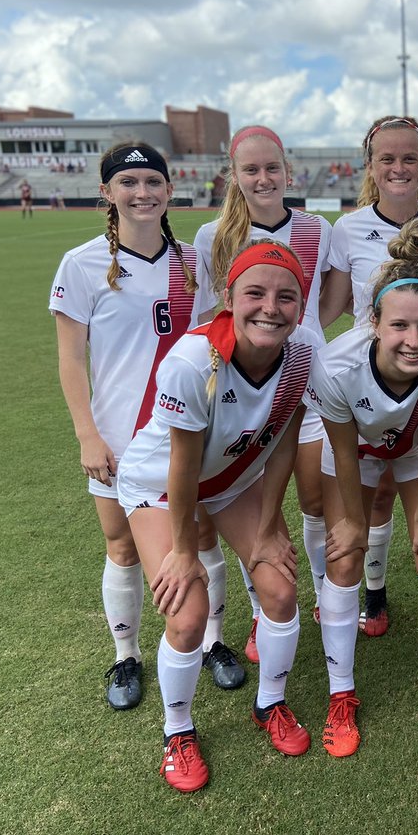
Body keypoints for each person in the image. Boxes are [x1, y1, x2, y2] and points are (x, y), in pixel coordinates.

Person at [118, 240, 322, 792]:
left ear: (301, 307)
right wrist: (184, 552)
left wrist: (268, 526)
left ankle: (270, 703)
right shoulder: (195, 359)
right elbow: (182, 467)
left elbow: (282, 443)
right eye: (254, 293)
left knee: (279, 588)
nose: (270, 307)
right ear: (229, 298)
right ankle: (177, 731)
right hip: (159, 484)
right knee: (186, 613)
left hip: (230, 479)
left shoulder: (303, 353)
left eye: (286, 296)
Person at [50, 143, 218, 712]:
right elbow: (72, 359)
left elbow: (215, 344)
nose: (142, 192)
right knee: (121, 546)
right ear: (107, 192)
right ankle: (126, 654)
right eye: (129, 182)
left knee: (201, 538)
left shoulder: (195, 261)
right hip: (119, 436)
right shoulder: (82, 262)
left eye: (153, 181)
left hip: (186, 435)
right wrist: (86, 434)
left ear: (170, 191)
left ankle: (214, 642)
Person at [307, 219, 418, 755]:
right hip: (356, 451)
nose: (414, 339)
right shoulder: (336, 366)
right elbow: (344, 447)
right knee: (345, 552)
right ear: (374, 321)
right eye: (399, 325)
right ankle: (341, 695)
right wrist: (352, 520)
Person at [320, 115, 418, 639]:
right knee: (377, 496)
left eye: (410, 158)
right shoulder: (348, 228)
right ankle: (375, 594)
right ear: (371, 166)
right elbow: (336, 306)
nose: (399, 167)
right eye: (388, 158)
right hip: (368, 385)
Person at [194, 125, 333, 663]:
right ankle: (260, 612)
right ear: (235, 177)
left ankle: (325, 598)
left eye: (272, 168)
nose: (263, 178)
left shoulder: (319, 229)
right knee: (256, 509)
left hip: (307, 380)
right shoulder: (215, 236)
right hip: (244, 387)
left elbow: (331, 293)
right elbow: (212, 314)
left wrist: (305, 335)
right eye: (250, 170)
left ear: (288, 171)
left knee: (315, 497)